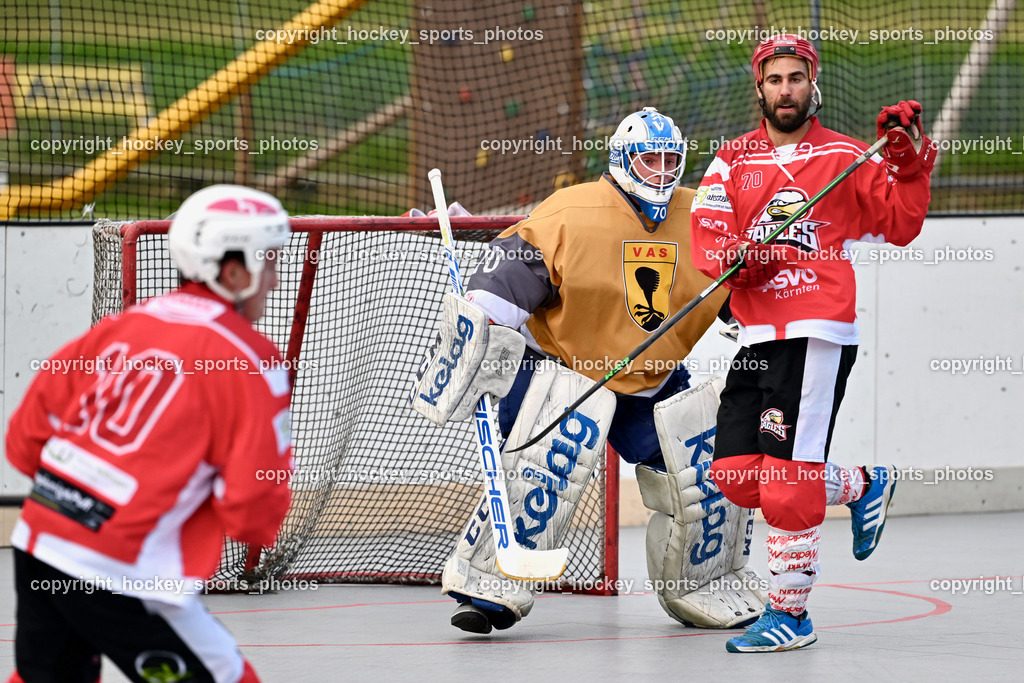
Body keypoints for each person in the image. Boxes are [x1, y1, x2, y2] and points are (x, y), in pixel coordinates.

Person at [411, 107, 770, 635]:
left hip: (652, 375)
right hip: (563, 371)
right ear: (622, 160)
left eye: (670, 160)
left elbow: (744, 301)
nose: (662, 172)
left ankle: (703, 583)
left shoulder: (704, 217)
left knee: (702, 477)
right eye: (649, 159)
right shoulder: (570, 211)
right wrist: (481, 326)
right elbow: (504, 286)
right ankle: (488, 588)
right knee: (544, 472)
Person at [689, 34, 935, 652]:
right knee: (736, 475)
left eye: (796, 78)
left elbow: (902, 222)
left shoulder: (846, 155)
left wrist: (908, 161)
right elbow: (708, 239)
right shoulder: (731, 160)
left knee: (787, 479)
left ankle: (791, 615)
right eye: (775, 80)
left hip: (816, 328)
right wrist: (739, 259)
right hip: (756, 335)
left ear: (812, 83)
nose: (786, 90)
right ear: (760, 87)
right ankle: (861, 484)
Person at [5, 185, 294, 682]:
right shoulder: (251, 358)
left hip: (41, 540)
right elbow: (251, 508)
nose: (275, 277)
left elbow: (24, 439)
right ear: (231, 272)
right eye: (267, 261)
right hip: (124, 568)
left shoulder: (122, 325)